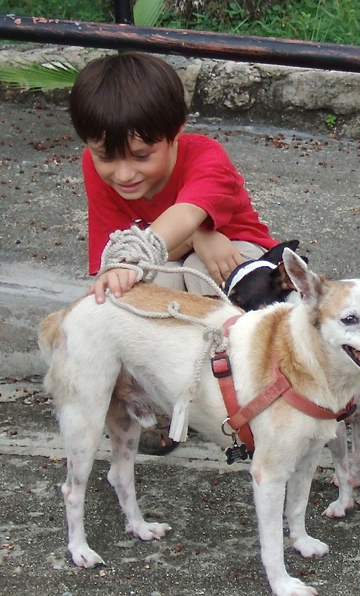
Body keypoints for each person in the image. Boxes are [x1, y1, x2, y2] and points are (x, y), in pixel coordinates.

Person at [68, 51, 279, 453]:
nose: (123, 174)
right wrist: (195, 235)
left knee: (199, 265)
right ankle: (167, 398)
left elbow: (184, 215)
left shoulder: (206, 156)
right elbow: (119, 251)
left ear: (175, 132)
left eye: (142, 156)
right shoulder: (94, 166)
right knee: (140, 289)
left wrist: (188, 235)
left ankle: (251, 391)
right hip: (169, 258)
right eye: (105, 157)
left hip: (240, 264)